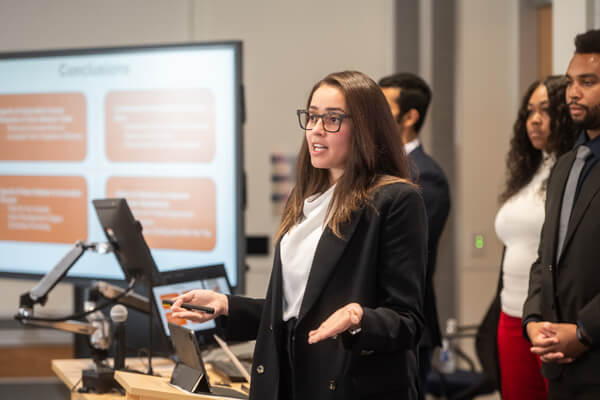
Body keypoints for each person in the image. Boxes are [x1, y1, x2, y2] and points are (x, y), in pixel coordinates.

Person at [172, 71, 428, 400]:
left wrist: (359, 318)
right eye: (312, 116)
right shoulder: (305, 198)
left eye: (333, 119)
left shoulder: (396, 200)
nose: (316, 129)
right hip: (289, 378)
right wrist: (227, 306)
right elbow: (294, 312)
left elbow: (408, 321)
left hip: (349, 384)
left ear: (366, 127)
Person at [522, 29, 600, 399]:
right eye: (571, 82)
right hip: (559, 364)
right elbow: (545, 257)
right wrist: (534, 319)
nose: (573, 92)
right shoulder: (566, 164)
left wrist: (585, 331)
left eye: (588, 82)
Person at [490, 75, 576, 400]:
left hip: (553, 317)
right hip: (511, 314)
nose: (535, 120)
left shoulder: (574, 170)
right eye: (529, 112)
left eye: (545, 110)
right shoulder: (531, 171)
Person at [379, 73, 450, 394]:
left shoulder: (427, 176)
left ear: (409, 116)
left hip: (404, 323)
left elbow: (410, 254)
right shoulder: (376, 167)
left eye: (384, 106)